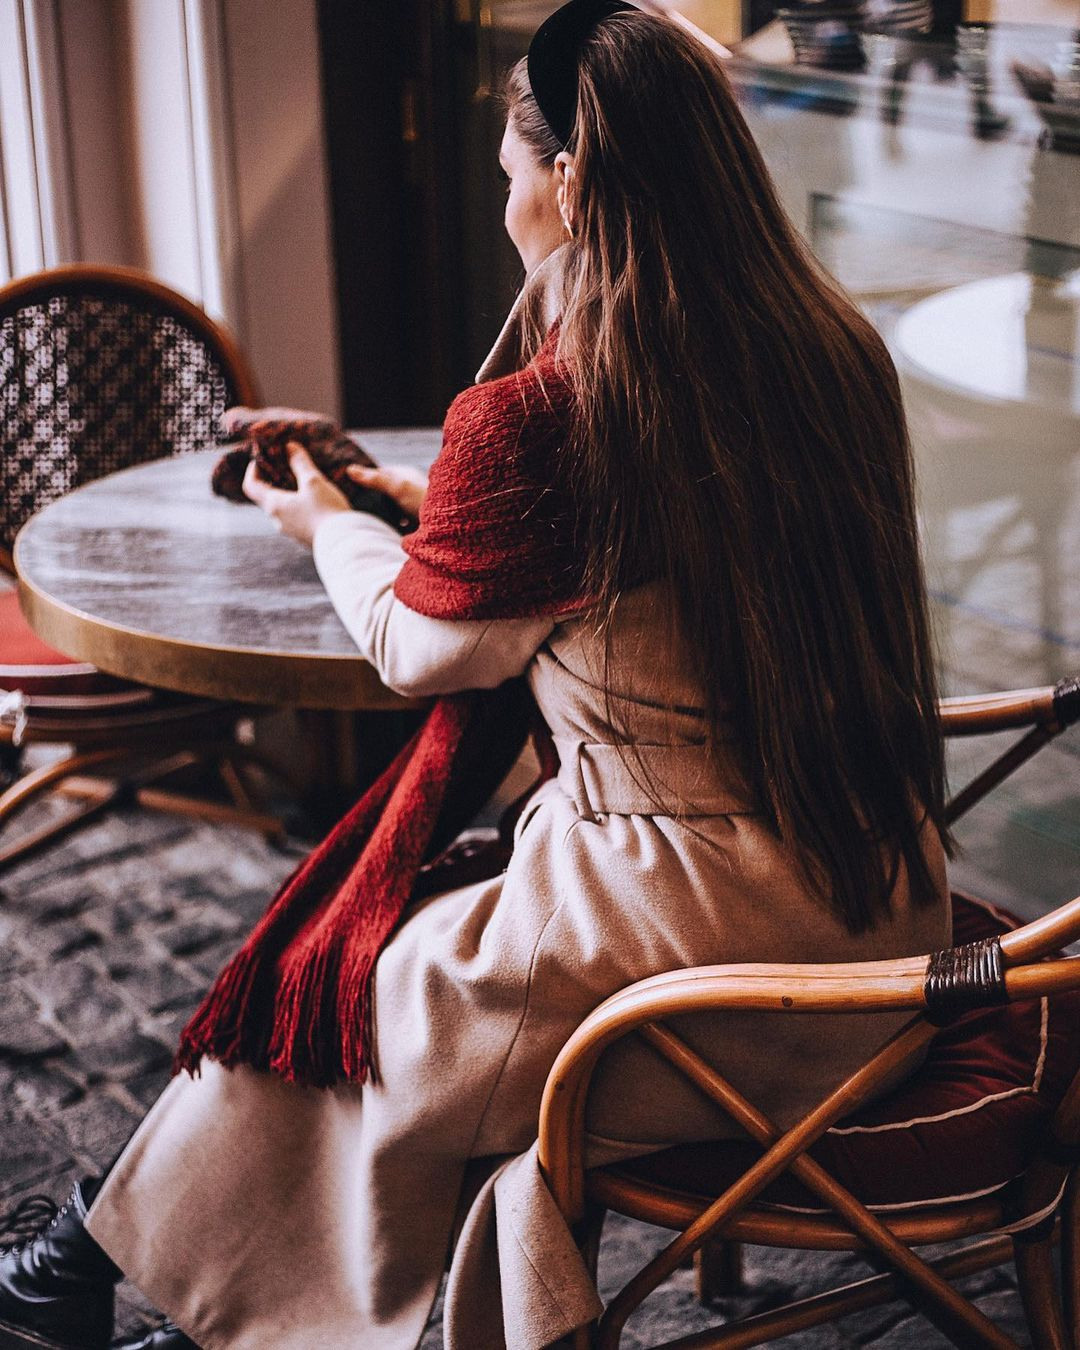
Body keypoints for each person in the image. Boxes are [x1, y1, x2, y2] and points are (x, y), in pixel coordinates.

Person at [0, 3, 951, 1347]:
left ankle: (126, 1263)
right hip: (875, 894)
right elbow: (639, 556)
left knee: (361, 986)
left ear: (568, 180)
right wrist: (411, 496)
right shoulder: (829, 349)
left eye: (511, 169)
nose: (502, 198)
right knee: (416, 960)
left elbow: (418, 648)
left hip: (704, 959)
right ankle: (101, 1253)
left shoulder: (559, 410)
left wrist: (328, 524)